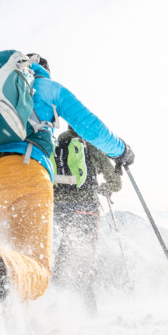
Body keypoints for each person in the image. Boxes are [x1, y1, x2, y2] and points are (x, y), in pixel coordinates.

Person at [0, 53, 134, 304]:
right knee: (35, 271)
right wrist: (122, 151)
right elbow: (93, 127)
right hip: (26, 177)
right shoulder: (46, 88)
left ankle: (0, 320)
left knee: (13, 260)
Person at [51, 125, 123, 310]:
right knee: (84, 260)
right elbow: (115, 183)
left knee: (62, 252)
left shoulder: (55, 143)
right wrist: (104, 188)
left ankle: (53, 305)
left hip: (56, 209)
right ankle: (87, 312)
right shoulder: (90, 145)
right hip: (85, 210)